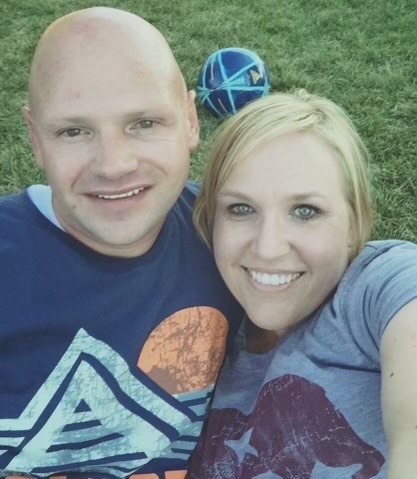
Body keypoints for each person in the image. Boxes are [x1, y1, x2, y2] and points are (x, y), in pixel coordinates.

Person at [0, 7, 242, 479]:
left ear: (191, 120)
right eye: (74, 131)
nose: (113, 165)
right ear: (35, 139)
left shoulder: (232, 236)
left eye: (144, 123)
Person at [186, 91, 417, 479]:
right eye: (241, 209)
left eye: (305, 211)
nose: (269, 247)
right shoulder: (201, 348)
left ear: (355, 225)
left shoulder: (379, 287)